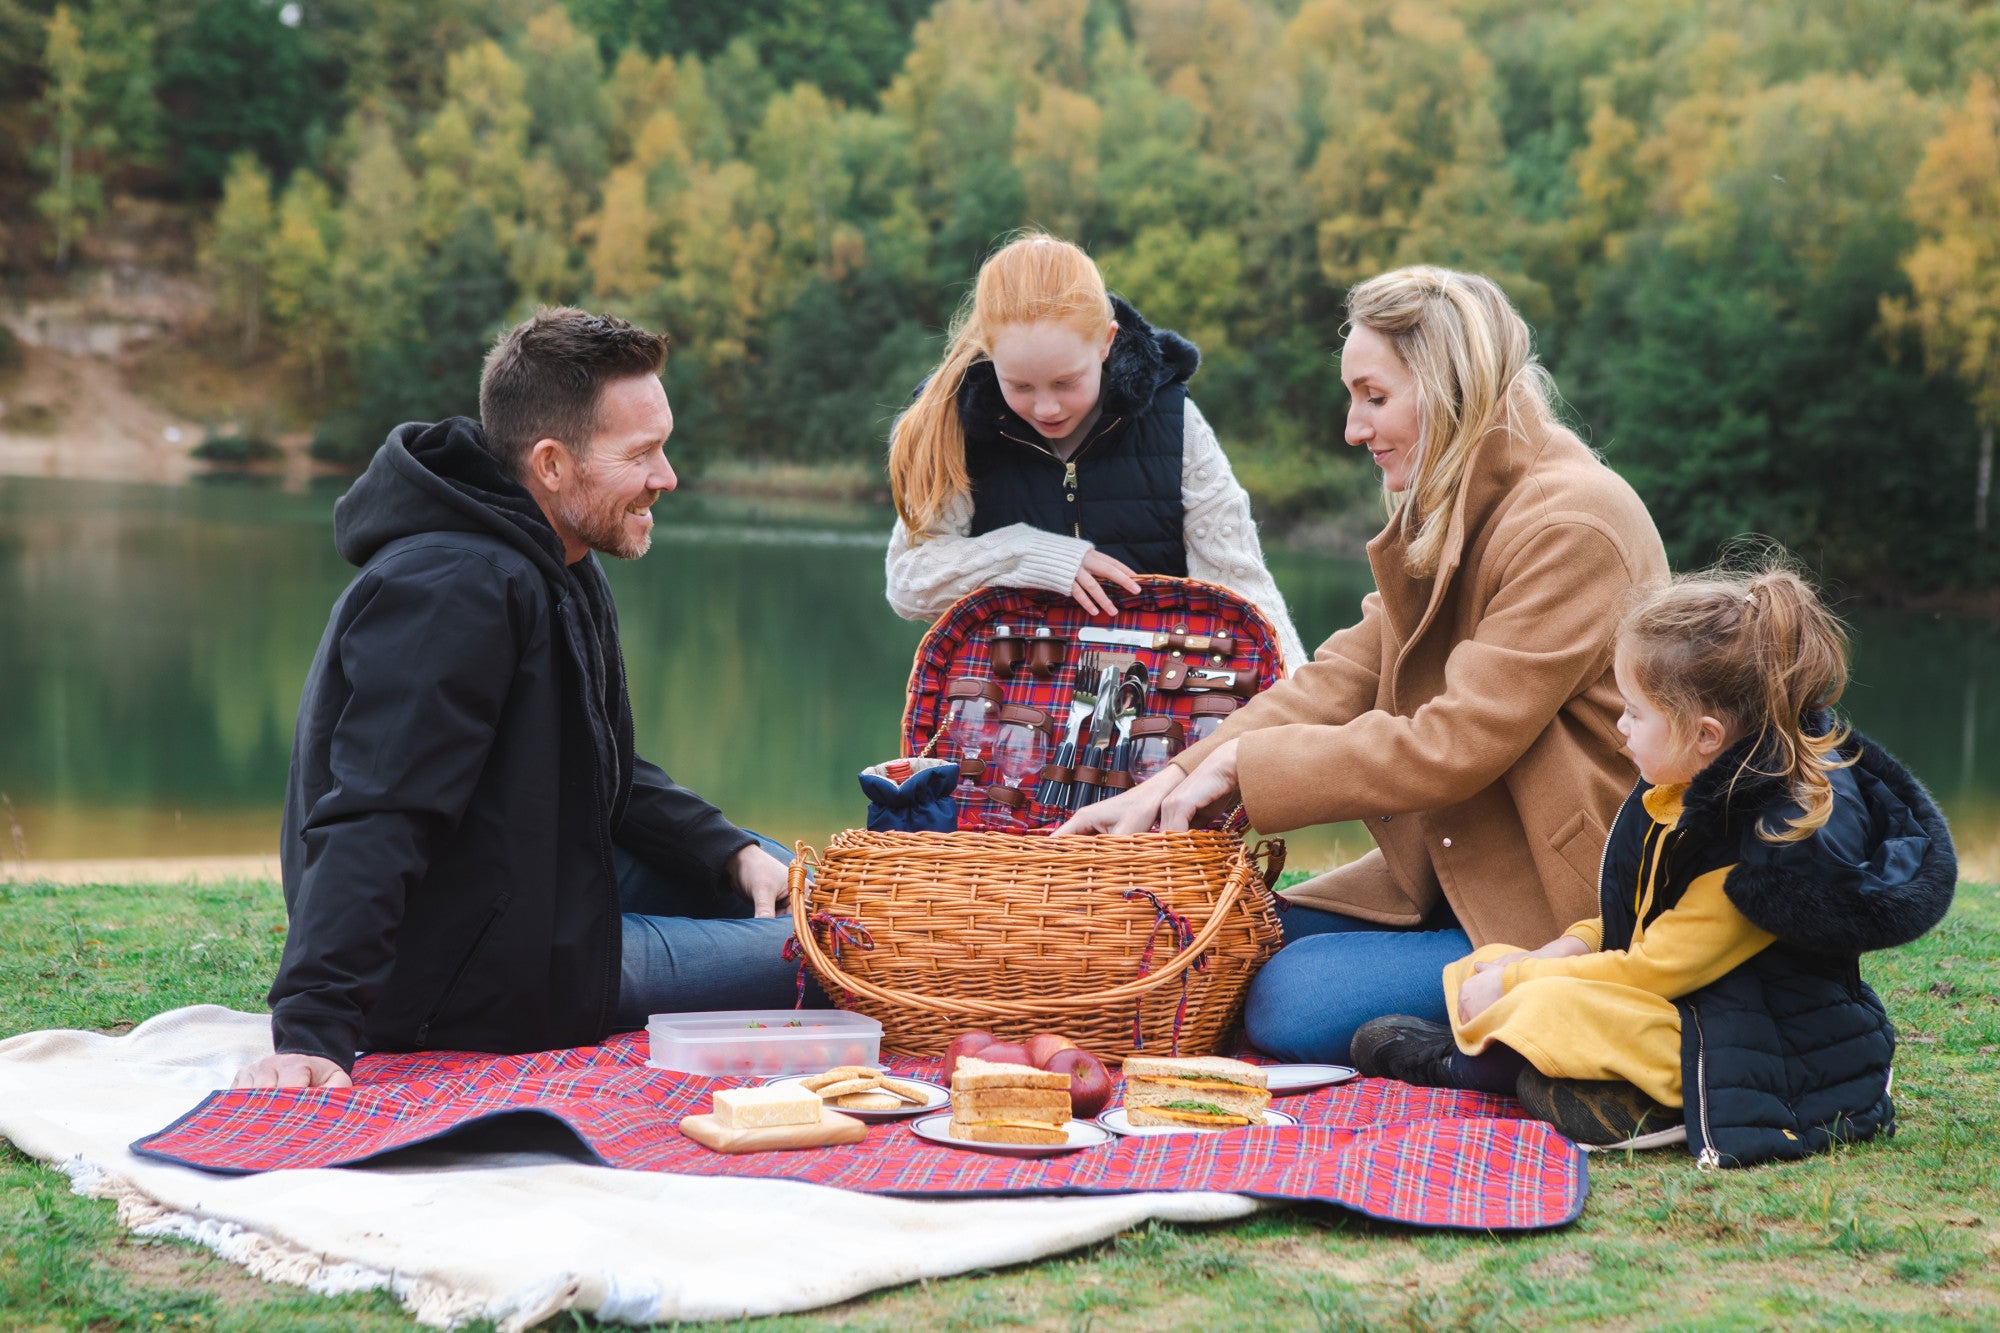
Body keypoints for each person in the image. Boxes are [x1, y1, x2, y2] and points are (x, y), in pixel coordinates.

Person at [1059, 266, 1669, 1063]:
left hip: (1557, 903)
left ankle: (1522, 1027)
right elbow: (1337, 679)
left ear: (1449, 386)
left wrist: (1246, 766)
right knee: (1228, 944)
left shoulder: (1574, 523)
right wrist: (1168, 782)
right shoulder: (1453, 505)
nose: (1354, 428)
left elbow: (1453, 743)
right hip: (1448, 872)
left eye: (1374, 397)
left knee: (1286, 1000)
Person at [234, 309, 808, 1091]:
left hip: (539, 886)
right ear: (551, 463)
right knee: (838, 948)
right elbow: (379, 810)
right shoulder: (454, 587)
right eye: (641, 453)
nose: (667, 476)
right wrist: (313, 1028)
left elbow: (598, 758)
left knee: (808, 886)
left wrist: (723, 849)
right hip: (468, 971)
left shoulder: (558, 554)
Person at [1348, 563, 1956, 1165]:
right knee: (1502, 958)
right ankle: (1545, 1072)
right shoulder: (1680, 794)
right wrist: (1566, 949)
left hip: (1756, 1047)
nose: (1619, 728)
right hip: (1694, 1006)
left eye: (1635, 712)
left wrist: (1518, 984)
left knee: (1543, 1000)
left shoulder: (1765, 855)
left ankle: (1482, 1067)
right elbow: (1635, 923)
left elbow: (1654, 971)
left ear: (1706, 736)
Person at [884, 233, 1309, 671]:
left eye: (1066, 382)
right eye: (1020, 386)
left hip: (1162, 719)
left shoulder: (1175, 422)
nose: (1046, 407)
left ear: (1107, 341)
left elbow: (1243, 591)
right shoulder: (954, 431)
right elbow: (908, 582)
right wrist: (1027, 554)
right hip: (1004, 721)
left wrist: (1302, 718)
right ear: (990, 357)